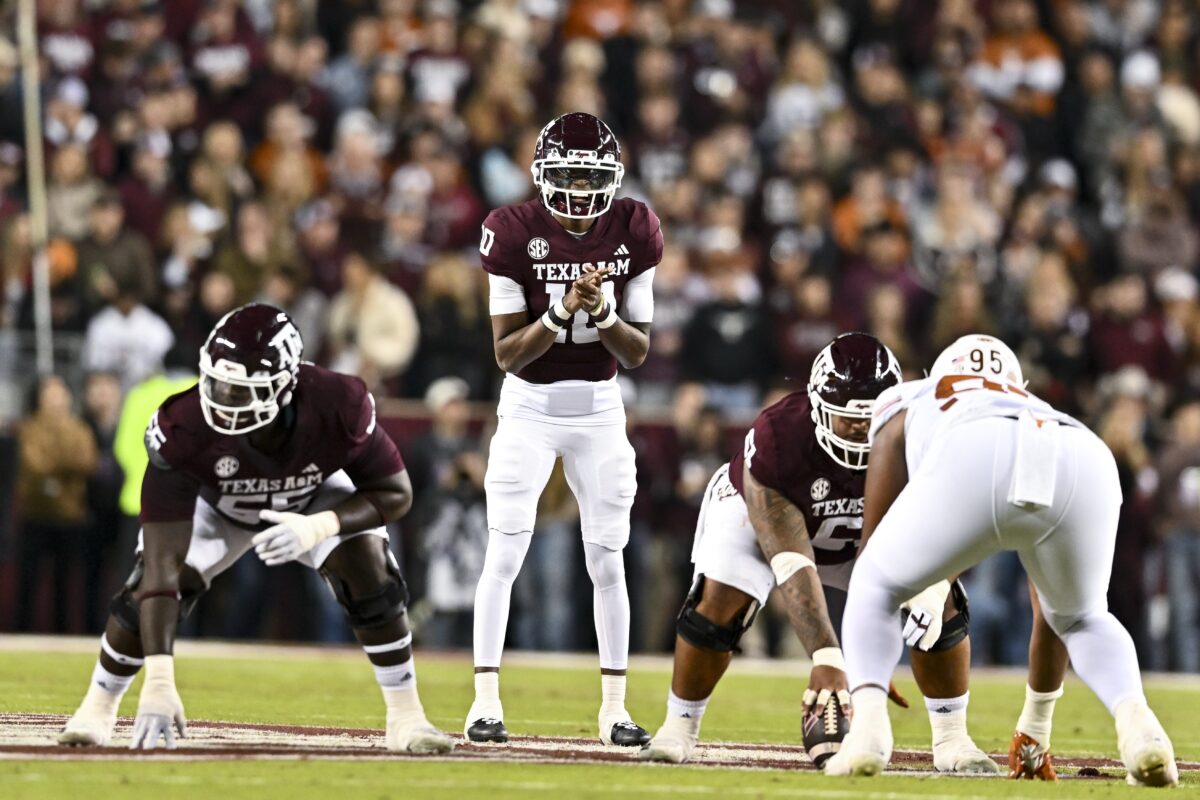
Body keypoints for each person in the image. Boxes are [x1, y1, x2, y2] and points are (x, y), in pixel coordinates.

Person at [57, 304, 452, 754]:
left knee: (368, 565)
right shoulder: (183, 424)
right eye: (218, 383)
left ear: (286, 385)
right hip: (218, 504)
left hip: (309, 499)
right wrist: (160, 679)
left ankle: (406, 716)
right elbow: (163, 566)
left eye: (241, 389)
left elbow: (394, 492)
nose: (223, 399)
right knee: (149, 583)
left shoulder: (335, 403)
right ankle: (98, 707)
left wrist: (322, 524)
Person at [825, 335, 1177, 787]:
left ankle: (868, 734)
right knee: (1084, 618)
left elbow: (872, 550)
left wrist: (871, 656)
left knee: (873, 583)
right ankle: (1139, 723)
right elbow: (1046, 610)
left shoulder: (911, 395)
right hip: (1081, 450)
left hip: (974, 448)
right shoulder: (1032, 404)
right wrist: (1035, 729)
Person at [642, 332, 997, 773]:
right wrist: (828, 659)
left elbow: (975, 521)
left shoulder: (923, 430)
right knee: (720, 601)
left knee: (940, 607)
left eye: (873, 417)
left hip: (868, 536)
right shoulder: (780, 439)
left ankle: (952, 739)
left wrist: (936, 582)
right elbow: (792, 564)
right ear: (816, 407)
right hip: (762, 524)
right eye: (848, 418)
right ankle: (678, 727)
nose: (863, 429)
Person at [465, 112, 662, 747]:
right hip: (528, 405)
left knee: (608, 558)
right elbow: (506, 354)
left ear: (612, 179)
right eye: (568, 175)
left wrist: (602, 311)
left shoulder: (636, 229)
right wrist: (557, 311)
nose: (579, 191)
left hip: (600, 408)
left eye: (591, 177)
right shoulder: (512, 231)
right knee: (505, 552)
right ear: (543, 176)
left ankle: (614, 709)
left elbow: (635, 352)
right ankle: (484, 702)